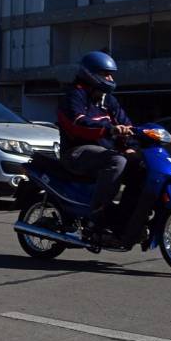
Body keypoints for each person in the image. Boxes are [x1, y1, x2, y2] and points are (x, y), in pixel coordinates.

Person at [56, 51, 135, 235]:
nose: (110, 78)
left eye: (111, 74)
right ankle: (98, 214)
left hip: (102, 152)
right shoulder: (74, 95)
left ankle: (128, 215)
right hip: (76, 152)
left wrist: (131, 145)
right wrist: (109, 129)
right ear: (91, 74)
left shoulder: (109, 100)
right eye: (105, 73)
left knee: (139, 162)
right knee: (118, 162)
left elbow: (126, 124)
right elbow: (77, 124)